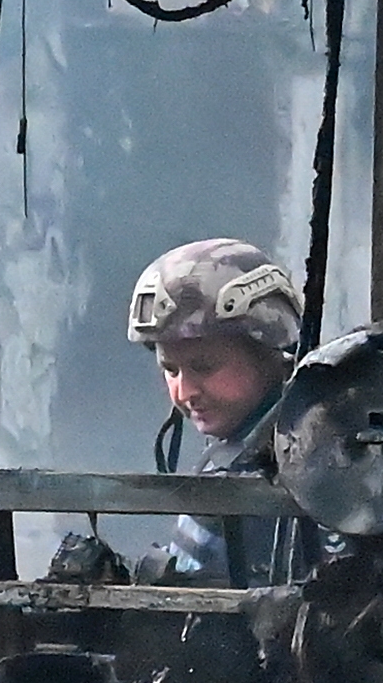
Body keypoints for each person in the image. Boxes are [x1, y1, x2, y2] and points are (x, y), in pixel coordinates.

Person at [128, 235, 311, 589]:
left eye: (204, 366)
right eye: (171, 370)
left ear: (269, 347)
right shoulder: (243, 454)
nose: (185, 392)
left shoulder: (316, 461)